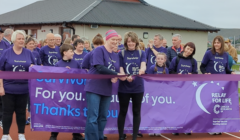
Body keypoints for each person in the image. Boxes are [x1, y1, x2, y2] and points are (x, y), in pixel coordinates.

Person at [84, 30, 126, 140]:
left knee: (103, 117)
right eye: (113, 39)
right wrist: (117, 74)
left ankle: (99, 137)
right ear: (107, 39)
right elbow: (100, 67)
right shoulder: (99, 50)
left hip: (107, 88)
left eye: (117, 40)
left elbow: (112, 71)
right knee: (93, 117)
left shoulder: (116, 55)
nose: (115, 42)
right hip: (94, 87)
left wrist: (115, 77)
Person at [0, 30, 36, 140]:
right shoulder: (6, 53)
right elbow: (1, 70)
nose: (21, 41)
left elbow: (34, 69)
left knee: (21, 113)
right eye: (19, 39)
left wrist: (32, 67)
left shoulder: (29, 53)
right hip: (8, 88)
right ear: (13, 40)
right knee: (7, 112)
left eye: (23, 39)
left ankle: (21, 134)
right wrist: (0, 87)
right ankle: (5, 134)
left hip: (24, 89)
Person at [200, 36, 235, 135]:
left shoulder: (225, 55)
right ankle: (210, 127)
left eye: (218, 43)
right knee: (211, 105)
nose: (216, 44)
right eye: (215, 42)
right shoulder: (208, 53)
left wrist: (231, 72)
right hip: (211, 84)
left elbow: (227, 69)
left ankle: (218, 126)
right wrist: (205, 73)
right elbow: (202, 66)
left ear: (222, 44)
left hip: (222, 84)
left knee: (219, 106)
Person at [49, 44, 84, 140]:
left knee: (75, 113)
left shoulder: (76, 63)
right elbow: (54, 78)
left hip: (73, 93)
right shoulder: (58, 64)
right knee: (59, 113)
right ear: (64, 52)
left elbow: (80, 77)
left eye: (73, 51)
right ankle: (54, 135)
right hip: (61, 93)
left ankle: (76, 134)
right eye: (71, 51)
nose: (73, 53)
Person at [117, 31, 146, 140]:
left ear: (136, 42)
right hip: (124, 87)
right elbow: (120, 69)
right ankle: (121, 136)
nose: (131, 43)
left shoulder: (141, 53)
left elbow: (143, 66)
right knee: (123, 111)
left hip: (138, 87)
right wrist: (125, 77)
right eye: (128, 41)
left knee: (136, 111)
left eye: (132, 41)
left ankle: (134, 136)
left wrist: (141, 70)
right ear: (125, 42)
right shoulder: (121, 53)